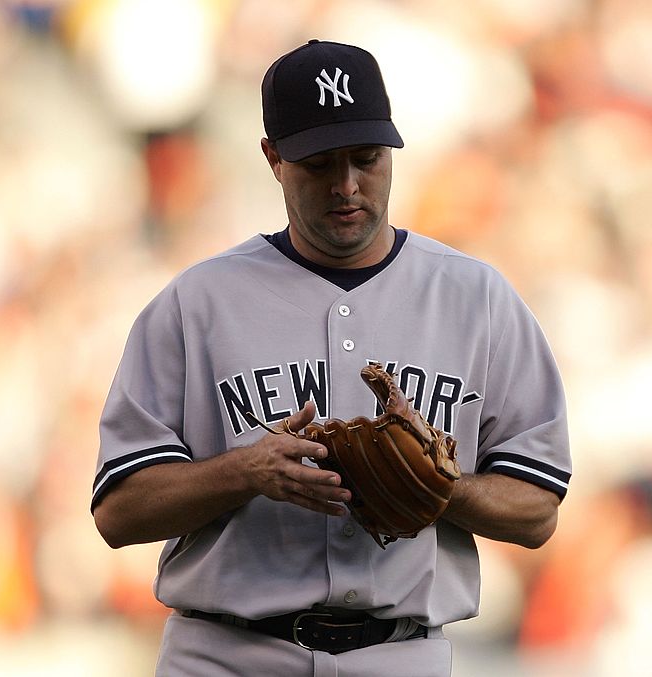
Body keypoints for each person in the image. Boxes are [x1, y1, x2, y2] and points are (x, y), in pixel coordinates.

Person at [91, 39, 571, 677]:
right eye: (319, 163)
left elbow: (537, 510)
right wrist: (245, 472)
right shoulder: (197, 303)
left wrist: (431, 485)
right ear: (274, 159)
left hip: (403, 654)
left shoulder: (476, 298)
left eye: (365, 159)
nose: (347, 185)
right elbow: (118, 510)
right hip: (228, 655)